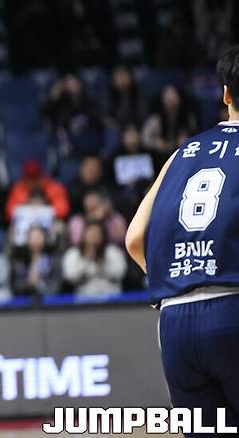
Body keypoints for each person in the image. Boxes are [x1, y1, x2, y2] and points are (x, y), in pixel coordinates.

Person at [126, 46, 239, 435]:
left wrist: (182, 276)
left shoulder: (181, 153)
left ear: (226, 94)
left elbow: (134, 238)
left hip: (176, 321)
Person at [62, 220, 126, 297]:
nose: (93, 236)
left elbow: (120, 273)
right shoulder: (74, 253)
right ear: (84, 234)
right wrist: (86, 260)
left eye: (97, 233)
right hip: (83, 298)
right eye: (91, 233)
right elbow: (70, 276)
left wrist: (102, 264)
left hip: (111, 297)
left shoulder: (113, 251)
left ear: (103, 235)